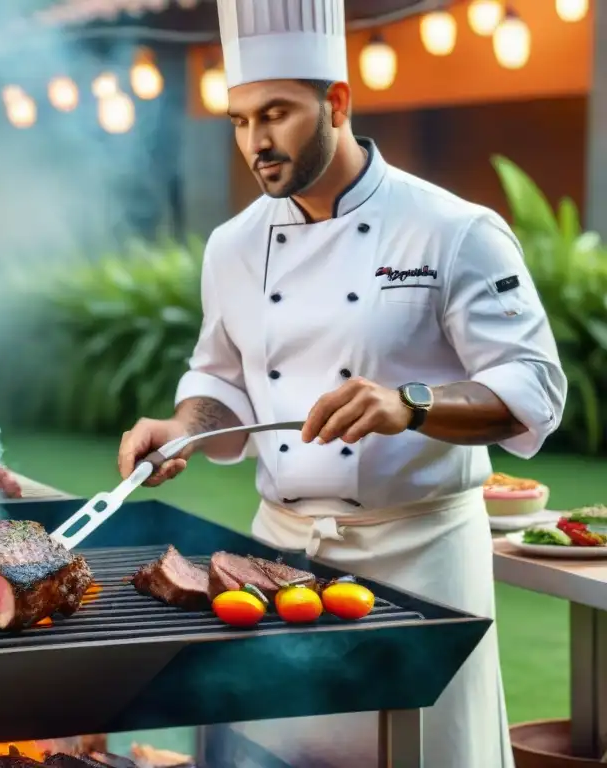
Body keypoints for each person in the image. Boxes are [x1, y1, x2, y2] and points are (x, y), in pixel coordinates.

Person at [117, 1, 567, 766]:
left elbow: (534, 388)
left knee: (422, 752)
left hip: (420, 558)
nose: (256, 141)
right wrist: (184, 426)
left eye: (278, 113)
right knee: (273, 751)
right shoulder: (231, 246)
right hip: (277, 561)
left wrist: (410, 404)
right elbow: (219, 378)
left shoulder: (453, 229)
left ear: (336, 104)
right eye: (239, 119)